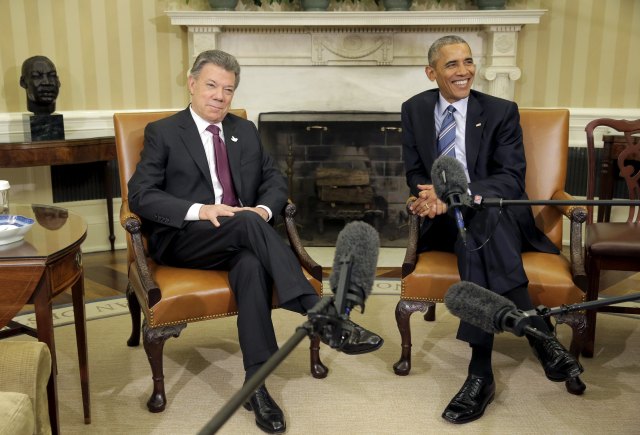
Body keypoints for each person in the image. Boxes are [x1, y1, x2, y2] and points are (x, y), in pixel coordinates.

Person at [128, 49, 383, 434]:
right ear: (192, 83)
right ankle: (320, 313)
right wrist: (200, 210)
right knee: (245, 225)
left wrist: (264, 211)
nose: (219, 96)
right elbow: (141, 195)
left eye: (228, 90)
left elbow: (274, 181)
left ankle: (256, 386)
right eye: (211, 86)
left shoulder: (243, 130)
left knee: (250, 264)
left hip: (242, 238)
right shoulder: (164, 132)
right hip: (184, 239)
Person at [401, 35, 583, 424]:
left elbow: (511, 178)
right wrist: (430, 197)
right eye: (452, 65)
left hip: (496, 212)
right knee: (472, 228)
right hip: (442, 220)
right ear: (431, 72)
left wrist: (460, 193)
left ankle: (479, 372)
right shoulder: (414, 109)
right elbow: (415, 171)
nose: (464, 71)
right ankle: (540, 333)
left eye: (468, 62)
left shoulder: (500, 110)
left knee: (479, 225)